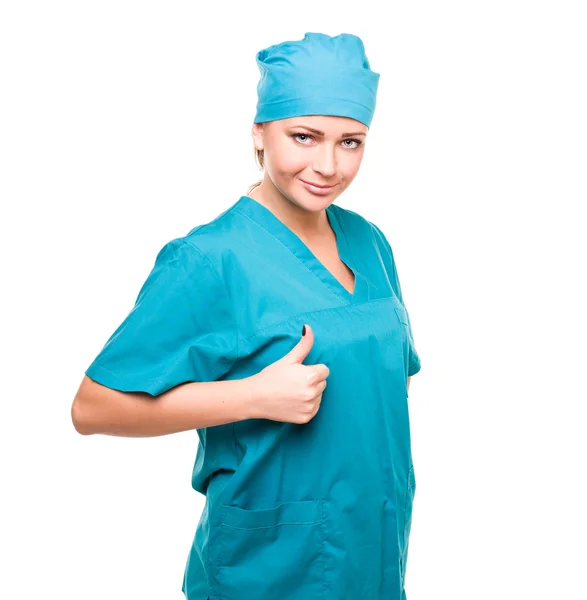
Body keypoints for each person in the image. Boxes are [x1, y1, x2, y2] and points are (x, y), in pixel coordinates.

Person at [72, 31, 422, 600]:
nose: (328, 165)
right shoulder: (211, 258)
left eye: (350, 142)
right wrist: (254, 397)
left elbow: (388, 383)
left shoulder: (370, 242)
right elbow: (92, 406)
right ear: (259, 133)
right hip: (269, 566)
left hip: (373, 547)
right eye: (303, 137)